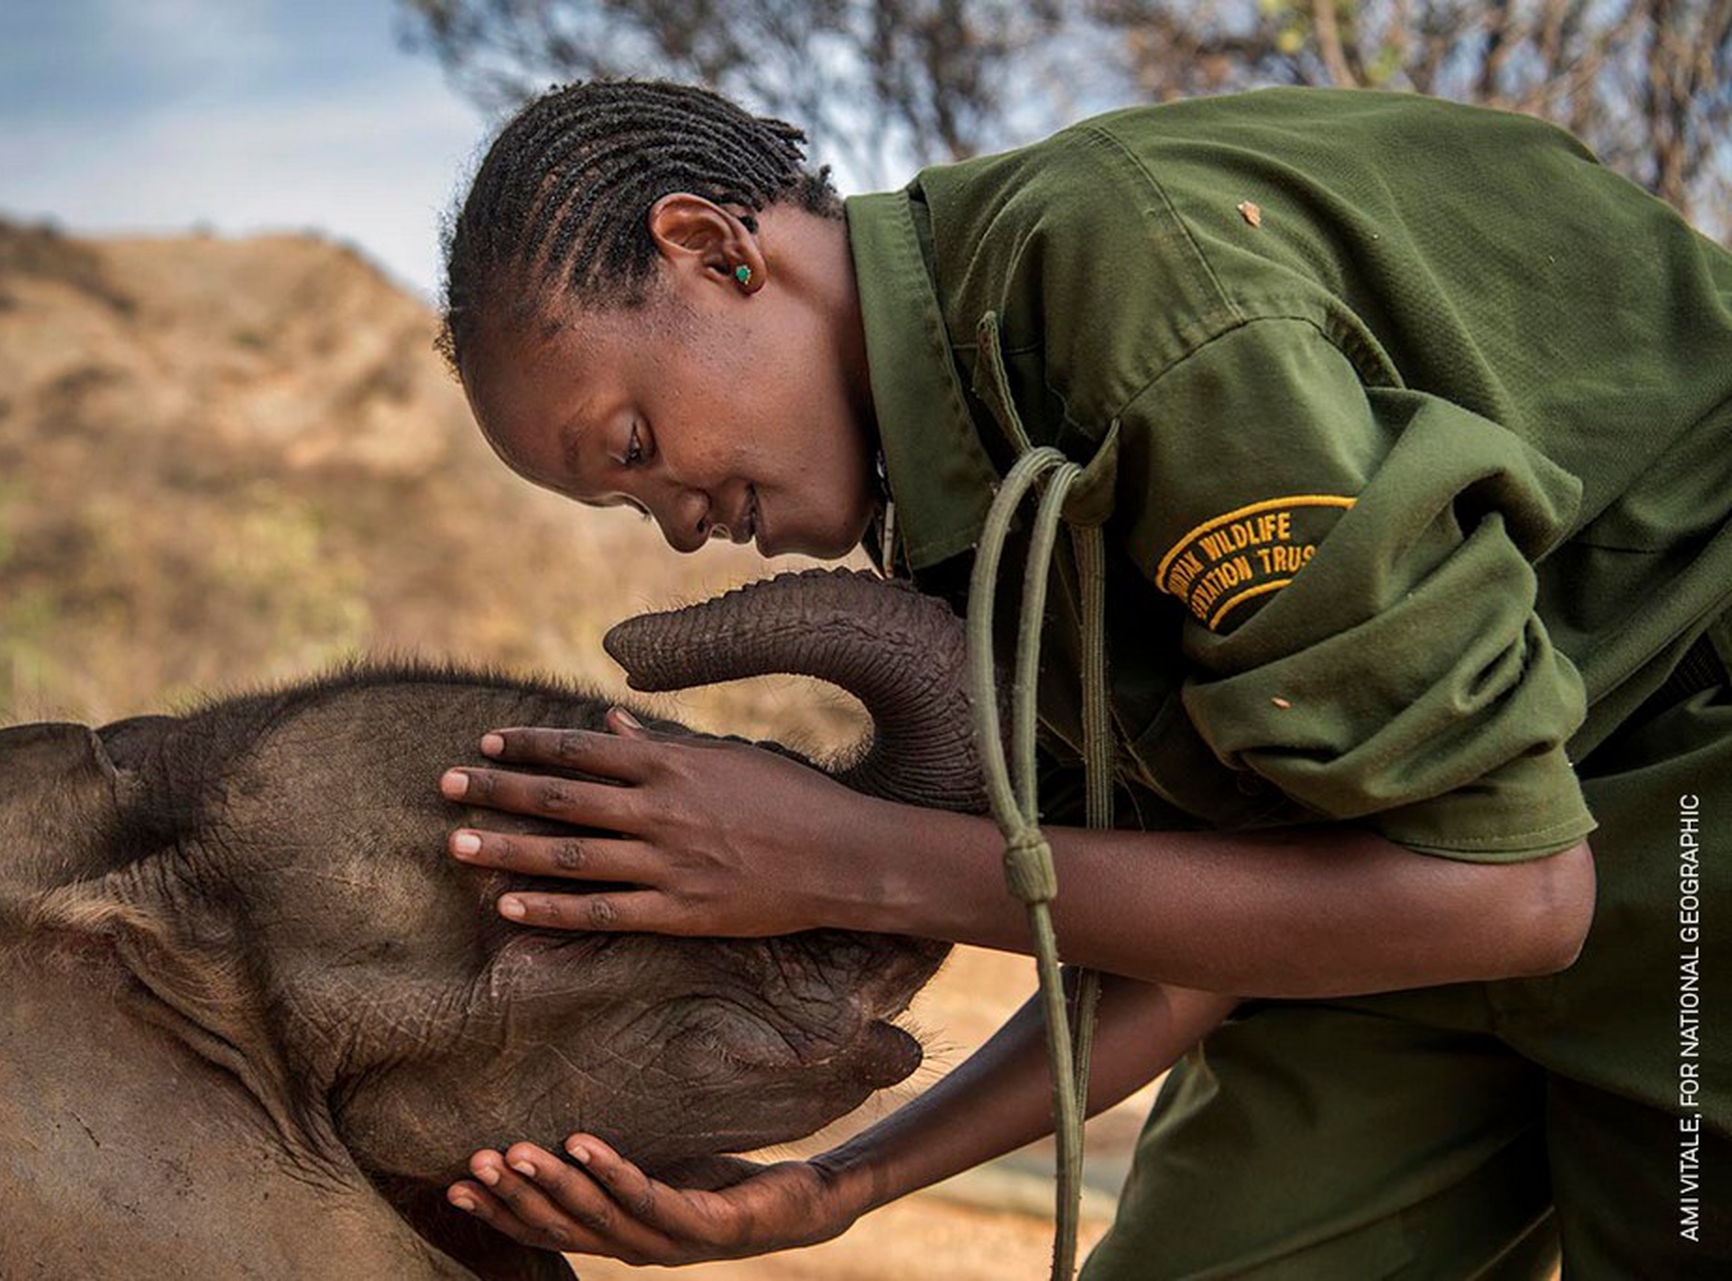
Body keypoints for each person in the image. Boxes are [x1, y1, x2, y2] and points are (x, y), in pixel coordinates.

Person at [428, 78, 1732, 1277]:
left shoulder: (1125, 289)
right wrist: (840, 1182)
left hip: (1685, 812)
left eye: (639, 443)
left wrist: (836, 855)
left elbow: (1515, 892)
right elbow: (1197, 922)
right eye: (622, 500)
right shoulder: (962, 507)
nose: (674, 523)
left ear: (714, 251)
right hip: (1409, 880)